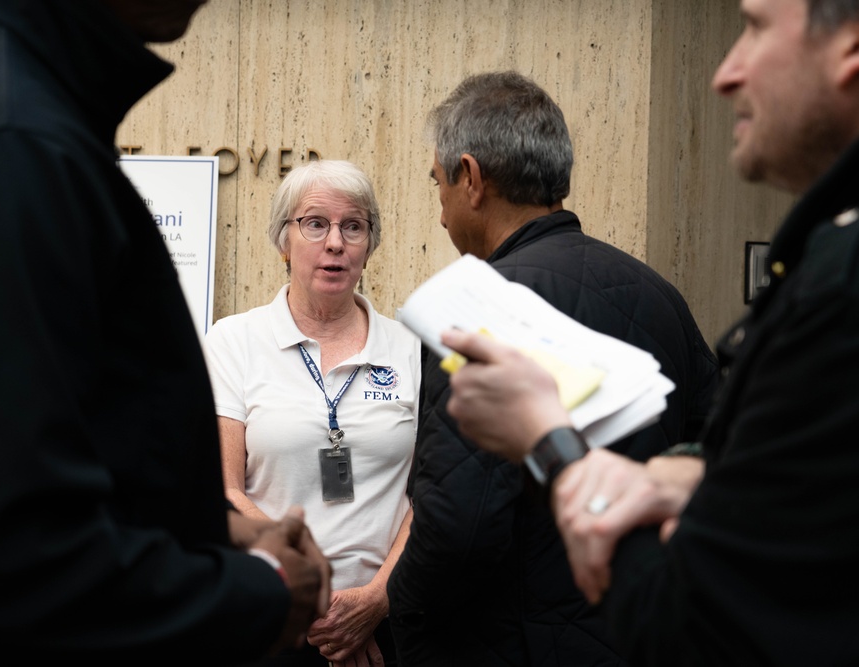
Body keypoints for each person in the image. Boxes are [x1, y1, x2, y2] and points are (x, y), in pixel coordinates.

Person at [0, 0, 332, 665]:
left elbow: (67, 459)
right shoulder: (3, 148)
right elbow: (10, 557)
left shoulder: (15, 117)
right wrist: (263, 591)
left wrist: (215, 541)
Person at [440, 0, 859, 664]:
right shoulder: (668, 286)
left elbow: (703, 615)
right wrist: (685, 474)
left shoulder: (839, 282)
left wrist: (549, 438)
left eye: (753, 26)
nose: (725, 72)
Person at [385, 71, 718, 666]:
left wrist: (403, 618)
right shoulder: (661, 295)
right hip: (642, 629)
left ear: (472, 178)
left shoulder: (470, 314)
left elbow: (458, 525)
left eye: (437, 186)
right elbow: (712, 453)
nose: (439, 214)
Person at [205, 159, 419, 667]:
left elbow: (430, 496)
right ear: (284, 240)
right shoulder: (234, 341)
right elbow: (224, 490)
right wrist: (323, 607)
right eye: (315, 223)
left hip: (388, 623)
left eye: (354, 226)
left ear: (370, 246)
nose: (335, 243)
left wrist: (374, 601)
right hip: (272, 616)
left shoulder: (410, 349)